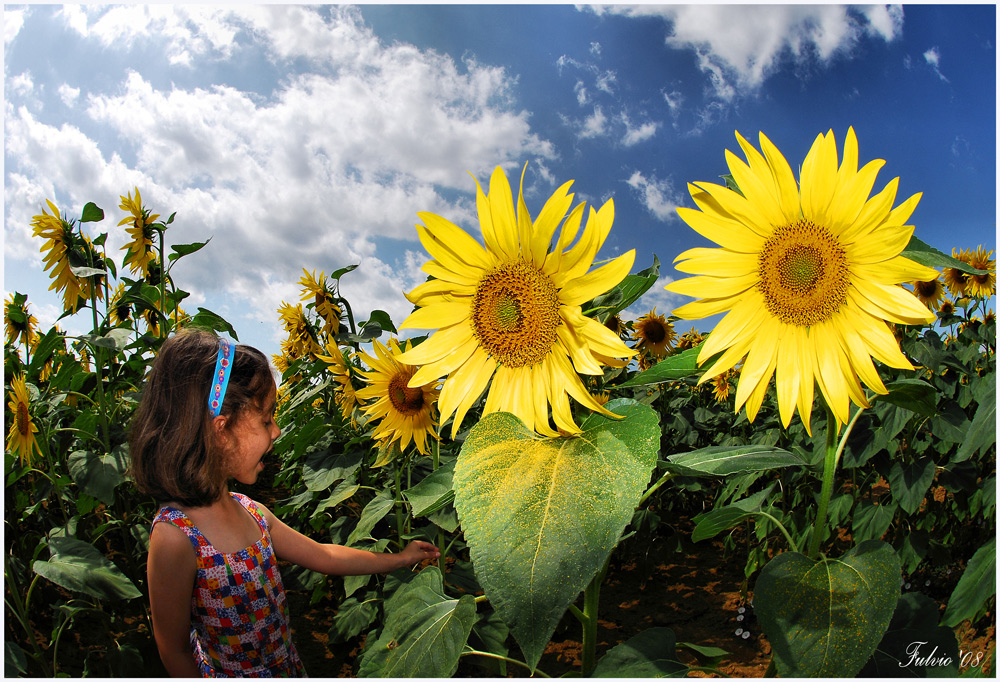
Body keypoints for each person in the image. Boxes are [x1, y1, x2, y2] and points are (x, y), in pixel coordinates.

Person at [129, 329, 439, 677]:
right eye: (266, 420)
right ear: (221, 430)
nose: (276, 431)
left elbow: (324, 556)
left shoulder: (252, 511)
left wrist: (400, 558)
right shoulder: (175, 537)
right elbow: (173, 649)